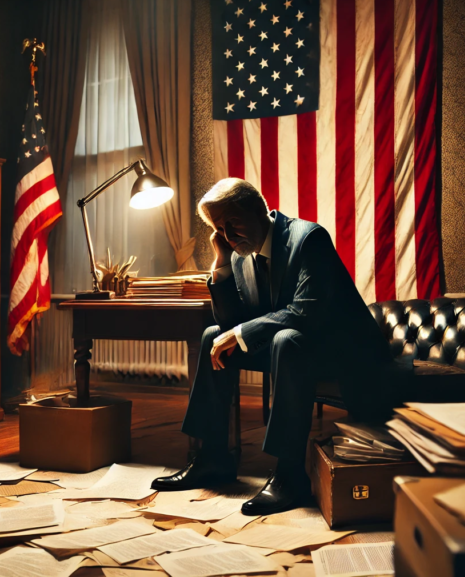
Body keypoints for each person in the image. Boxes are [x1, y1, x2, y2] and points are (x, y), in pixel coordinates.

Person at [151, 177, 395, 515]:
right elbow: (230, 324)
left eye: (231, 222)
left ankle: (289, 474)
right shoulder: (238, 255)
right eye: (219, 228)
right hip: (293, 351)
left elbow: (306, 311)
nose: (227, 234)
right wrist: (221, 264)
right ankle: (211, 459)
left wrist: (239, 334)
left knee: (286, 338)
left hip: (346, 353)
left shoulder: (308, 238)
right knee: (211, 336)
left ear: (257, 208)